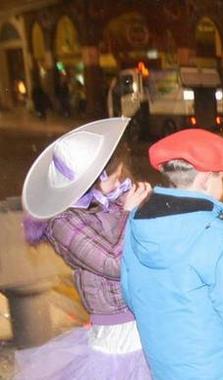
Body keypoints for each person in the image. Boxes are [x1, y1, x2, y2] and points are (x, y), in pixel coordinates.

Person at [121, 129, 223, 380]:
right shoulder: (217, 235)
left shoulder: (136, 221)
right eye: (222, 178)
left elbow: (130, 293)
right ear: (206, 179)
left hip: (162, 359)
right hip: (210, 365)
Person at [17, 118, 153, 380]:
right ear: (91, 181)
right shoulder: (63, 223)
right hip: (118, 333)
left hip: (143, 316)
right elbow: (115, 262)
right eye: (115, 178)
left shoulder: (107, 201)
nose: (120, 183)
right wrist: (130, 214)